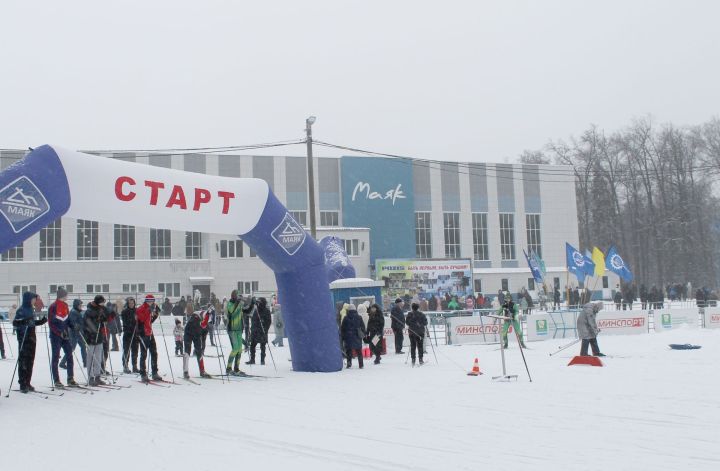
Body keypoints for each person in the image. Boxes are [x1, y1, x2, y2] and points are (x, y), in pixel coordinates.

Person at [12, 292, 47, 393]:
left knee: (30, 361)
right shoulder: (21, 310)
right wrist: (23, 322)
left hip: (32, 336)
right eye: (33, 298)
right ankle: (22, 383)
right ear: (28, 299)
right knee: (23, 361)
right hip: (23, 337)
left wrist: (40, 322)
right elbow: (15, 322)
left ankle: (28, 381)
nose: (34, 300)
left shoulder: (31, 309)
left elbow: (31, 323)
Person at [48, 287, 78, 387]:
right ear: (62, 295)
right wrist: (58, 332)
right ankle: (56, 380)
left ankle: (70, 378)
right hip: (56, 336)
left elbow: (67, 319)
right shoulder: (53, 306)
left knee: (69, 355)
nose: (67, 296)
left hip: (65, 335)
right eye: (66, 295)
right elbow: (51, 323)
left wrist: (73, 326)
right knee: (55, 357)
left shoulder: (65, 305)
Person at [84, 295, 109, 386]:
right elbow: (87, 324)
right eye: (102, 302)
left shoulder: (101, 309)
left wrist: (103, 320)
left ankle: (97, 376)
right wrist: (93, 333)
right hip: (91, 338)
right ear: (97, 302)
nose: (103, 304)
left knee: (99, 357)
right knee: (90, 358)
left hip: (99, 337)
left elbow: (105, 320)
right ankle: (90, 377)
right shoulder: (89, 311)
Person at [136, 294, 162, 382]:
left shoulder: (151, 308)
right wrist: (149, 311)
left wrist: (156, 314)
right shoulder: (141, 308)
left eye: (152, 301)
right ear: (146, 301)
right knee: (144, 354)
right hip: (143, 333)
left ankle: (155, 372)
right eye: (149, 301)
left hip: (150, 333)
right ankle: (143, 374)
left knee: (154, 353)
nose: (151, 302)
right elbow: (142, 319)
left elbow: (151, 321)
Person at [183, 308, 211, 379]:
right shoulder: (199, 314)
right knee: (187, 351)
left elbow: (204, 336)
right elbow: (203, 322)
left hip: (197, 333)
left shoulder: (206, 325)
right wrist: (207, 315)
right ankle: (185, 371)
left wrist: (202, 348)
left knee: (199, 352)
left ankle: (202, 371)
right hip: (189, 332)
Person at [60, 299, 86, 369]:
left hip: (79, 333)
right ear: (76, 305)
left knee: (83, 347)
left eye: (81, 305)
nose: (81, 306)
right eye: (80, 305)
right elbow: (72, 322)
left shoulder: (77, 312)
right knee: (71, 348)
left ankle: (85, 362)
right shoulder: (73, 312)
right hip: (74, 334)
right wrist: (76, 326)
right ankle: (62, 362)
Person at [225, 290, 245, 375]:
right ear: (234, 296)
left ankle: (236, 368)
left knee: (240, 350)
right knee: (235, 349)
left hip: (239, 329)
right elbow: (232, 311)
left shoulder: (239, 303)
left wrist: (251, 303)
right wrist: (237, 302)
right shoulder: (229, 304)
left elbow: (246, 310)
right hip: (232, 329)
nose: (239, 297)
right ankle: (228, 368)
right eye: (238, 295)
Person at [247, 297, 272, 365]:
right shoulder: (256, 310)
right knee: (252, 346)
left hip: (262, 331)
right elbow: (253, 320)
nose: (258, 304)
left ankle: (262, 360)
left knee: (263, 346)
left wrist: (265, 327)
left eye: (259, 303)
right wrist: (252, 328)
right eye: (257, 303)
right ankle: (252, 359)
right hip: (255, 331)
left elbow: (269, 321)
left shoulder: (266, 311)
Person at [341, 304, 365, 369]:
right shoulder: (359, 317)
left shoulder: (345, 318)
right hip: (357, 336)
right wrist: (362, 334)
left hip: (348, 337)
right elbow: (363, 327)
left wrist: (343, 337)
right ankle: (361, 364)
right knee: (359, 351)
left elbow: (342, 328)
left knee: (349, 351)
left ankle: (349, 363)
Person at [120, 298, 139, 374]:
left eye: (132, 303)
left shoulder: (137, 311)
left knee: (135, 351)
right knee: (126, 351)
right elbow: (125, 322)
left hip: (135, 334)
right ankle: (125, 366)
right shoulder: (124, 312)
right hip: (127, 334)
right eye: (130, 303)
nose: (131, 304)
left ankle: (134, 366)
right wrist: (133, 321)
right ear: (128, 304)